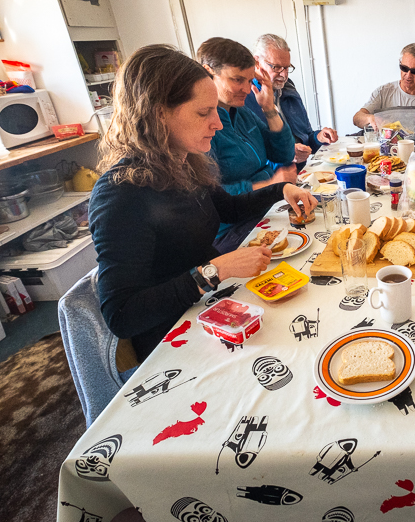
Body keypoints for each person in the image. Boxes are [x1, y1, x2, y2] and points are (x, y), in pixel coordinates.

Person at [90, 44, 317, 365]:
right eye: (203, 113)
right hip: (174, 338)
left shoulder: (185, 162)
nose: (218, 123)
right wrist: (214, 270)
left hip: (212, 309)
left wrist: (283, 189)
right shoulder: (120, 194)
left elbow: (229, 209)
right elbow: (122, 314)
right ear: (158, 114)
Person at [196, 37, 297, 253]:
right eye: (237, 80)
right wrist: (270, 185)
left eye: (250, 80)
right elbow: (215, 198)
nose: (246, 88)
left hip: (267, 209)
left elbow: (284, 153)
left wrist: (268, 107)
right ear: (208, 73)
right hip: (234, 229)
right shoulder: (203, 128)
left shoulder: (242, 113)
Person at [243, 34, 338, 171]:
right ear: (256, 63)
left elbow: (306, 137)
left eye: (287, 68)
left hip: (302, 172)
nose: (284, 75)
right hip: (273, 181)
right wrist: (285, 154)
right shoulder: (245, 97)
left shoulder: (288, 87)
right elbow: (248, 160)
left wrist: (319, 138)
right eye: (276, 67)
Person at [353, 43, 415, 132]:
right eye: (404, 68)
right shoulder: (383, 92)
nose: (408, 75)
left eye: (414, 71)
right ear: (400, 64)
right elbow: (357, 119)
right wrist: (370, 118)